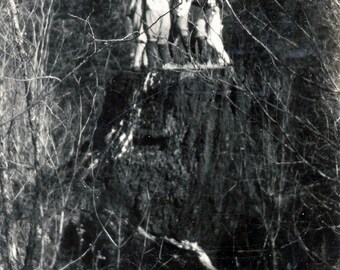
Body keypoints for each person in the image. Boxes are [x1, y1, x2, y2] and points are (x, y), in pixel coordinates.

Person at [144, 0, 172, 68]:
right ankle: (152, 67)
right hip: (152, 7)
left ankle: (165, 65)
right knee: (152, 36)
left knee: (163, 37)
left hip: (164, 7)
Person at [127, 0, 148, 71]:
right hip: (141, 9)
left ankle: (144, 62)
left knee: (148, 37)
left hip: (148, 8)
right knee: (142, 37)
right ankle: (136, 63)